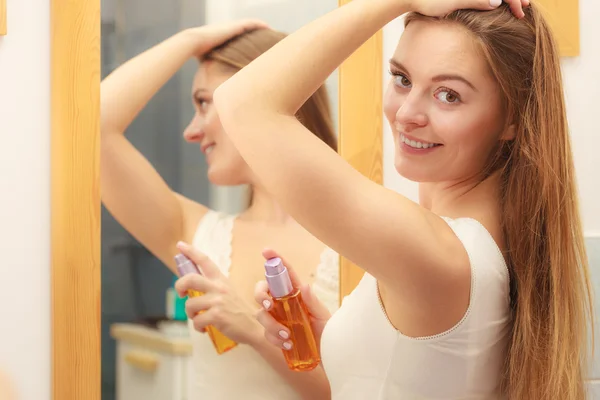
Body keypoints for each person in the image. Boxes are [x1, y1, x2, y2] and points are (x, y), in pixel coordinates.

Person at [199, 0, 594, 398]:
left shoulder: (442, 255)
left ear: (512, 117)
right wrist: (338, 343)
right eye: (402, 78)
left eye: (448, 95)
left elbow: (242, 102)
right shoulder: (464, 251)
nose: (407, 113)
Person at [100, 21, 340, 400]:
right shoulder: (197, 234)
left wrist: (253, 332)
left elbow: (357, 390)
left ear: (260, 97)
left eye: (205, 103)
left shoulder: (356, 239)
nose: (191, 131)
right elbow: (93, 129)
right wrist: (190, 39)